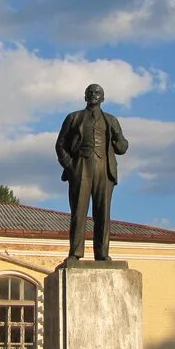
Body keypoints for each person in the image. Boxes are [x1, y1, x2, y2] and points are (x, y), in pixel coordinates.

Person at [55, 84, 129, 262]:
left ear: (103, 98)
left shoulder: (111, 120)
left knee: (102, 212)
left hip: (104, 168)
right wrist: (70, 165)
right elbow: (60, 144)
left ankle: (102, 253)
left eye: (97, 93)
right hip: (81, 166)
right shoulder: (74, 118)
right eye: (90, 92)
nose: (93, 95)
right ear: (85, 96)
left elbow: (122, 147)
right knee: (79, 211)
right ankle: (75, 252)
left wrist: (120, 141)